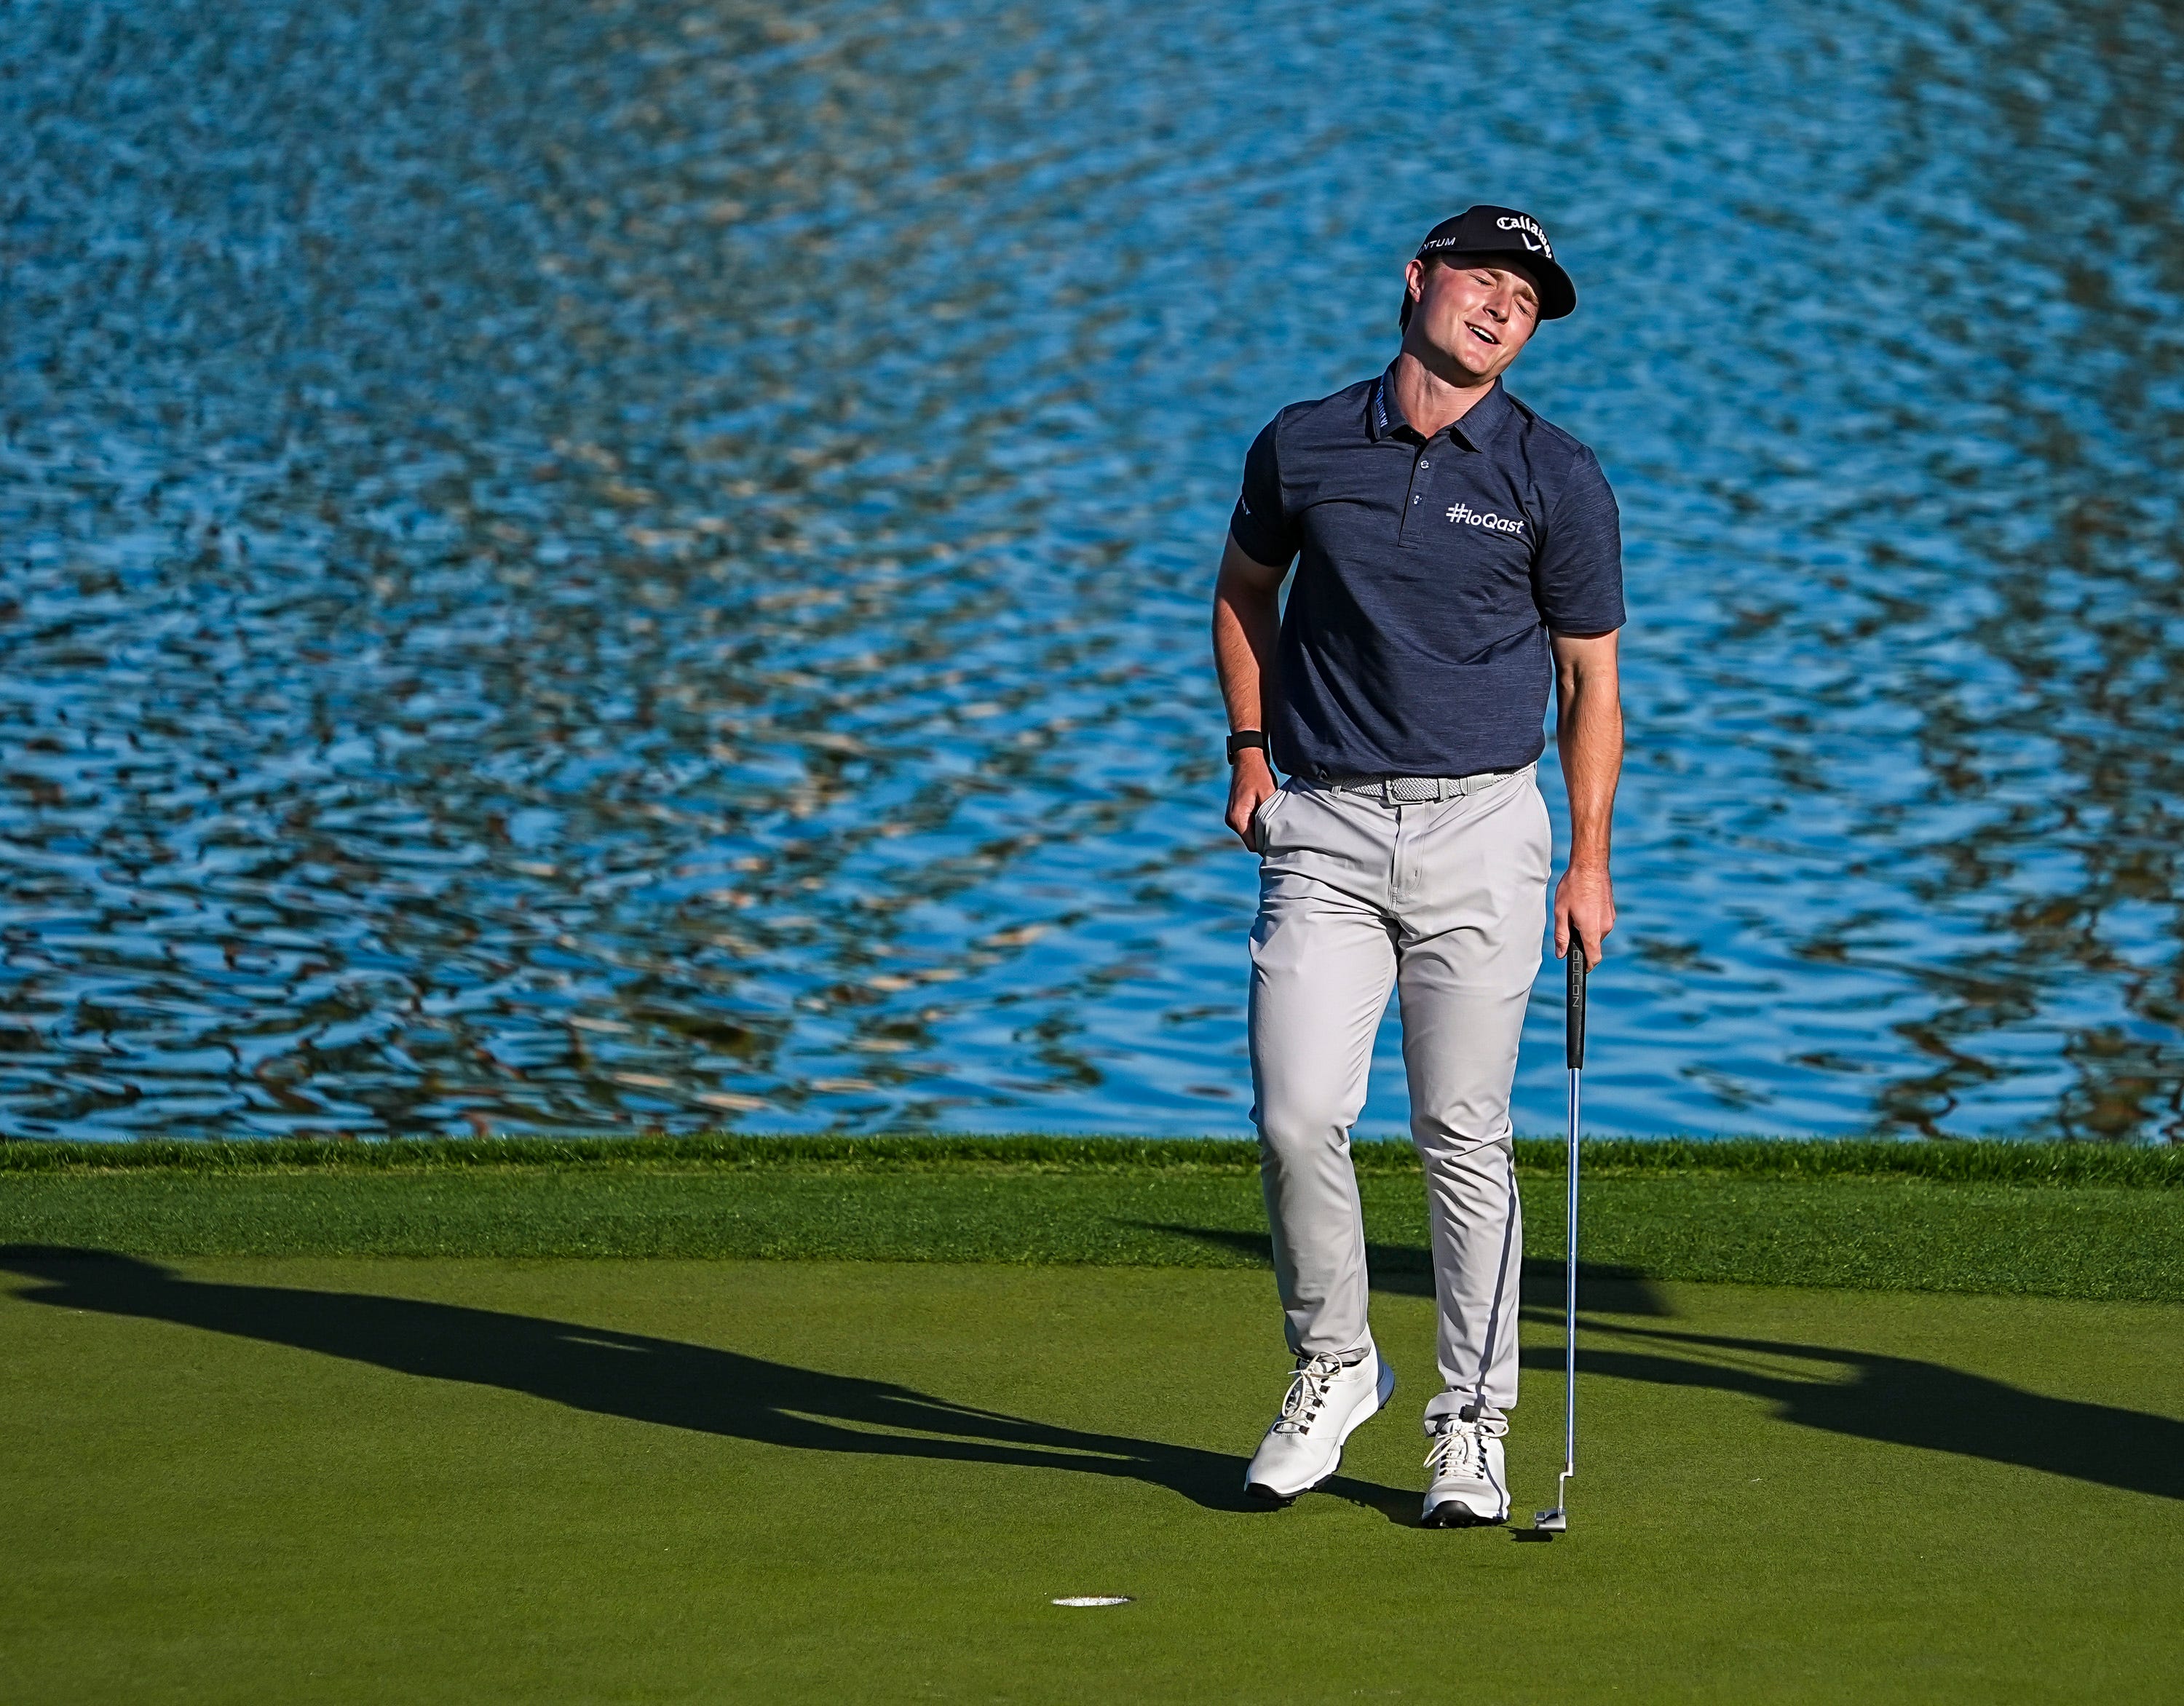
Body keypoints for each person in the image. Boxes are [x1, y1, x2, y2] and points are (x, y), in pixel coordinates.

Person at [1210, 205, 1625, 1526]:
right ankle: (1335, 1366)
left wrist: (1589, 861)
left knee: (1462, 1133)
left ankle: (1472, 1425)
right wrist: (1248, 750)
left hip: (1486, 832)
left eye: (1528, 299)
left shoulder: (1556, 476)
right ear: (1420, 281)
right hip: (1321, 824)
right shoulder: (1307, 441)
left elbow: (1590, 683)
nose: (1504, 308)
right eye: (1486, 281)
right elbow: (1241, 589)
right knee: (1295, 1114)